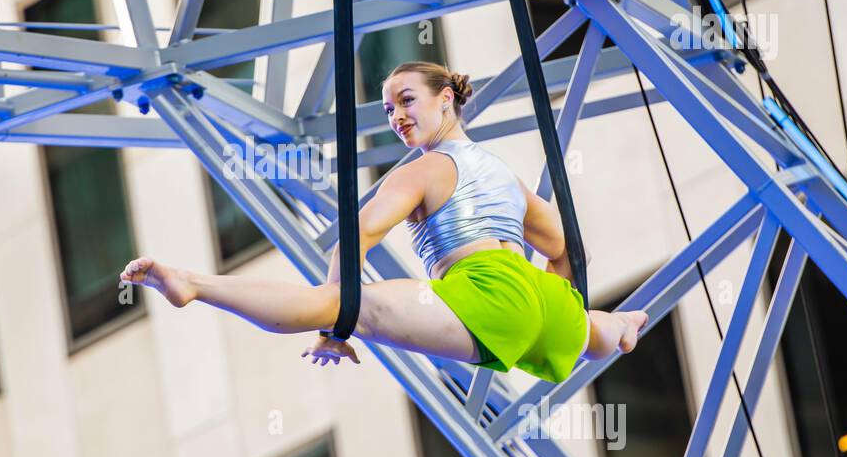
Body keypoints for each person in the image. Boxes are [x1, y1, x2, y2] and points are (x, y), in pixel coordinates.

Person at [119, 62, 647, 384]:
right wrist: (554, 302)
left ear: (447, 99)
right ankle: (620, 327)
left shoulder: (422, 171)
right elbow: (565, 249)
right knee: (595, 331)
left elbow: (358, 240)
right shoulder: (504, 174)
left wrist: (336, 323)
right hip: (548, 307)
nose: (396, 116)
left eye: (406, 100)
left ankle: (196, 284)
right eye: (389, 108)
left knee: (352, 303)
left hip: (491, 296)